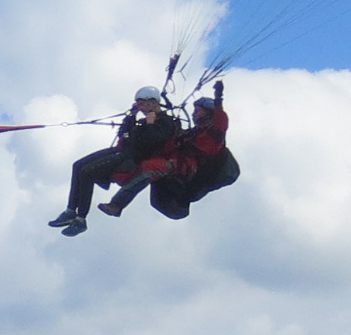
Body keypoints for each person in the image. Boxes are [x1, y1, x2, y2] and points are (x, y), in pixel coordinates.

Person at [49, 90, 178, 235]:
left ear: (153, 102)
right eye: (138, 104)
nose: (140, 107)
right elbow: (125, 134)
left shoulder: (165, 122)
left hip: (132, 158)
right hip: (122, 151)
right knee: (78, 165)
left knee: (87, 172)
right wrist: (131, 118)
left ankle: (81, 219)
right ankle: (70, 210)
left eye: (141, 104)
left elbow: (151, 143)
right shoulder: (142, 121)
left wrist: (150, 123)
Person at [106, 85, 239, 221]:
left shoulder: (215, 132)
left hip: (187, 166)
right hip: (178, 161)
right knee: (149, 159)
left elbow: (221, 120)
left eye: (198, 111)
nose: (194, 114)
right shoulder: (195, 131)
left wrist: (218, 99)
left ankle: (117, 205)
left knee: (150, 167)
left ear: (209, 113)